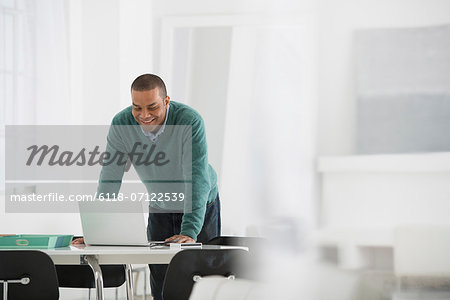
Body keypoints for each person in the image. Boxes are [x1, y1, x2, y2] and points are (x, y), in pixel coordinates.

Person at [73, 74, 221, 300]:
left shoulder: (189, 121)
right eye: (137, 108)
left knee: (203, 283)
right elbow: (110, 176)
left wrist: (189, 232)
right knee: (162, 284)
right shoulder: (122, 123)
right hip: (161, 205)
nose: (144, 115)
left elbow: (197, 177)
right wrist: (96, 229)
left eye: (152, 107)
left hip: (201, 204)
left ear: (167, 101)